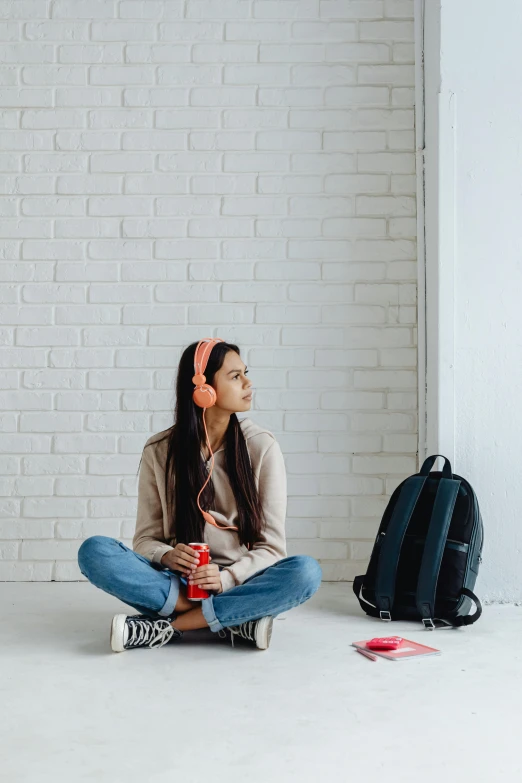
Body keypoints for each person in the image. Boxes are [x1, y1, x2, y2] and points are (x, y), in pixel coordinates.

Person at [77, 338, 322, 653]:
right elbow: (145, 540)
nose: (248, 383)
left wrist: (226, 580)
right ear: (202, 389)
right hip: (177, 582)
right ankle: (234, 620)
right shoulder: (160, 450)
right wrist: (167, 555)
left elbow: (271, 548)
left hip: (241, 582)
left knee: (305, 572)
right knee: (94, 551)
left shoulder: (262, 447)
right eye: (235, 376)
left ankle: (168, 627)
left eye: (245, 373)